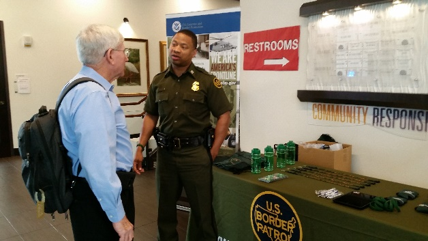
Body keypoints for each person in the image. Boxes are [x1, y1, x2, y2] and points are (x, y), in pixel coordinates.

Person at [133, 29, 232, 241]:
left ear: (194, 52)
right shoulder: (159, 81)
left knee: (202, 214)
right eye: (174, 44)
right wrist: (140, 146)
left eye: (183, 46)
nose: (176, 49)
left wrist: (213, 151)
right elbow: (151, 115)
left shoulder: (207, 81)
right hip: (166, 156)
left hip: (195, 155)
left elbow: (224, 114)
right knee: (165, 212)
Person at [58, 24, 135, 241]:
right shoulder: (92, 95)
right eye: (124, 51)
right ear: (110, 55)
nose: (126, 58)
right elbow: (97, 163)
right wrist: (118, 216)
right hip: (97, 197)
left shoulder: (80, 86)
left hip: (94, 192)